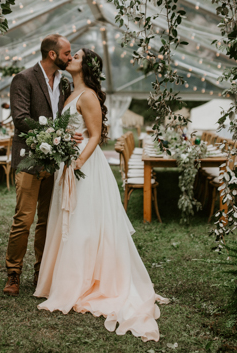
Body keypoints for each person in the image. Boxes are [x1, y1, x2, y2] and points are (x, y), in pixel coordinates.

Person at [34, 48, 168, 342]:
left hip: (84, 167)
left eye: (77, 56)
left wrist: (78, 162)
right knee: (70, 220)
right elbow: (72, 128)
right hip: (67, 161)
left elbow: (95, 135)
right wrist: (61, 140)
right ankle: (66, 280)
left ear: (87, 67)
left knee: (83, 224)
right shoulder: (69, 93)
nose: (71, 58)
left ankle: (86, 282)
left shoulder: (89, 95)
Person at [3, 34, 79, 296]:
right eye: (68, 53)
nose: (70, 57)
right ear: (52, 55)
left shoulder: (65, 83)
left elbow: (66, 116)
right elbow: (21, 119)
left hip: (55, 160)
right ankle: (13, 273)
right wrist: (54, 135)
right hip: (28, 158)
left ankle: (41, 271)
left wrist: (66, 137)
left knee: (47, 220)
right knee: (24, 219)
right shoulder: (23, 79)